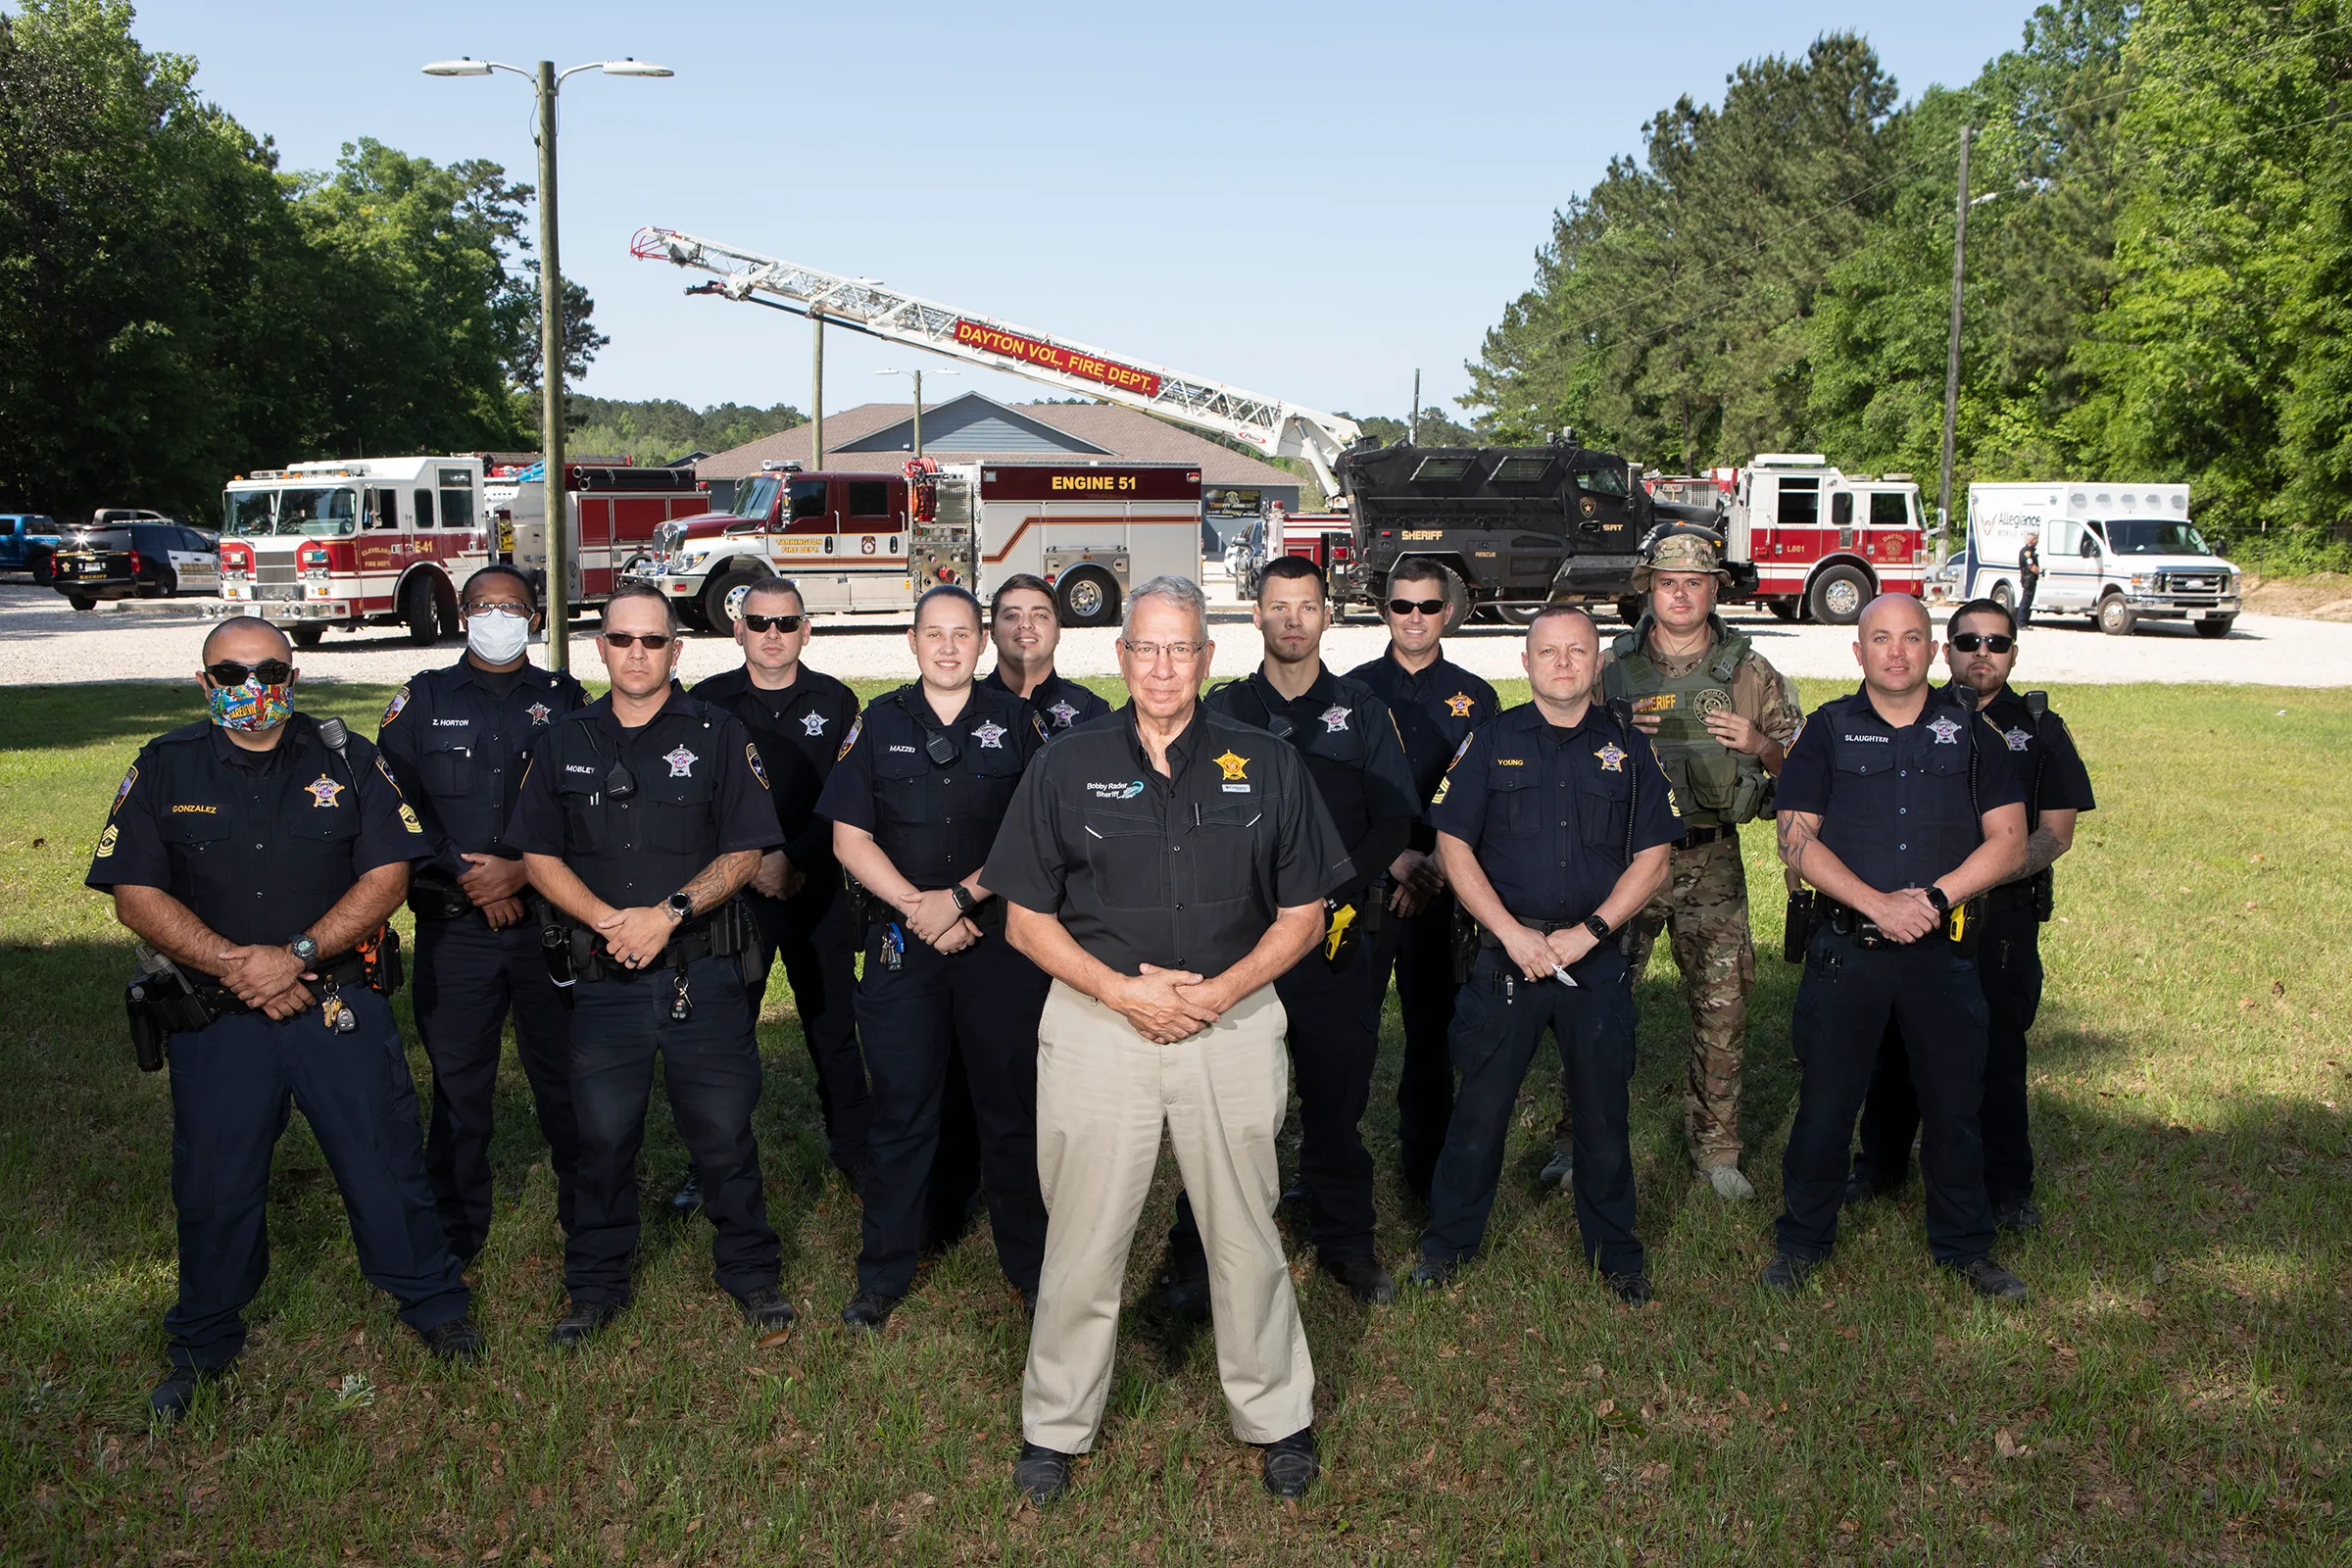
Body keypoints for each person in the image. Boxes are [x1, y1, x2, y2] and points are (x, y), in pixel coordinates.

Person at [985, 574, 1350, 1504]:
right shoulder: (1064, 765)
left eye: (1178, 648)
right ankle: (1056, 1427)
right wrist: (1121, 993)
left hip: (1229, 1025)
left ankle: (1275, 1415)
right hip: (1099, 1026)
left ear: (1205, 657)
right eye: (1144, 648)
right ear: (1121, 657)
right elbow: (1025, 918)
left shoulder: (1265, 762)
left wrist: (1217, 993)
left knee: (1244, 1236)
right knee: (1084, 1241)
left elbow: (1305, 913)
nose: (1160, 666)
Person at [91, 616, 479, 1419]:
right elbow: (136, 893)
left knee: (382, 1161)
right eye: (230, 675)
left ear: (292, 673)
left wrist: (294, 954)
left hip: (336, 1002)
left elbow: (387, 879)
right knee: (214, 1181)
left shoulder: (349, 760)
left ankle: (433, 1305)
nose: (251, 688)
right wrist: (243, 966)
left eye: (268, 669)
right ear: (205, 686)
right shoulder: (165, 767)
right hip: (221, 1015)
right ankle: (203, 1338)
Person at [505, 584, 795, 1345]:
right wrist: (608, 922)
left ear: (677, 648)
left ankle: (750, 1272)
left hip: (702, 974)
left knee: (725, 1135)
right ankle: (595, 1285)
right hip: (606, 977)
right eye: (623, 639)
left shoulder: (719, 733)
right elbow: (536, 853)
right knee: (600, 1140)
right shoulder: (562, 740)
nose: (638, 653)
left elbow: (746, 851)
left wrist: (666, 916)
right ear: (600, 647)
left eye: (654, 641)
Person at [1153, 555, 1418, 1309]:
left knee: (1335, 1104)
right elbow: (1191, 819)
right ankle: (1197, 1258)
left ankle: (1346, 1244)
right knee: (1227, 1112)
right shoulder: (1224, 711)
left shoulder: (1362, 710)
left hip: (1336, 946)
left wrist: (1325, 894)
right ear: (1256, 614)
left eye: (1308, 605)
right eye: (1279, 606)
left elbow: (1392, 821)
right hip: (1241, 946)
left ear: (1327, 614)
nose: (1293, 619)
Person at [1765, 594, 2031, 1298]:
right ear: (1858, 651)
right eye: (1880, 638)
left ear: (1933, 650)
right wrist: (1876, 902)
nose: (1896, 652)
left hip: (1941, 956)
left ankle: (1965, 1247)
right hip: (1847, 952)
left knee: (1954, 1107)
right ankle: (1802, 1241)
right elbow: (1794, 838)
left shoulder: (1972, 735)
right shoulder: (1824, 731)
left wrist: (1936, 899)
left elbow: (2008, 840)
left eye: (1912, 638)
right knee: (1825, 1106)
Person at [1412, 606, 1679, 1300]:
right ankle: (1447, 1247)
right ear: (1526, 663)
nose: (1563, 663)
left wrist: (1591, 931)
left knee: (1602, 1115)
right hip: (1510, 957)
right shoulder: (1490, 740)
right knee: (1481, 1111)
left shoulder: (1631, 748)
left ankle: (1615, 1255)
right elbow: (1453, 844)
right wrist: (1509, 932)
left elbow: (1655, 856)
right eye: (1548, 652)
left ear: (1597, 663)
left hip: (1592, 957)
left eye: (1578, 651)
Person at [814, 585, 1051, 1328]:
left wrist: (962, 898)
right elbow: (849, 839)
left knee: (1011, 1113)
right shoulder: (877, 725)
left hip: (999, 947)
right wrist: (925, 909)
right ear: (911, 644)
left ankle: (1034, 1269)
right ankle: (884, 1272)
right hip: (903, 946)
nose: (948, 647)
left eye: (962, 635)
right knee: (902, 1114)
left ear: (984, 644)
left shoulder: (1020, 724)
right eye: (933, 634)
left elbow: (1037, 836)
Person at [1545, 529, 1801, 1202]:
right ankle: (1578, 1142)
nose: (1681, 594)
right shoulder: (1611, 670)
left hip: (1711, 861)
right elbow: (1558, 757)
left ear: (1714, 588)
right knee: (1597, 1007)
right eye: (1667, 582)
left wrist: (1762, 744)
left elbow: (1807, 776)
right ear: (1648, 589)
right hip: (1623, 864)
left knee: (1723, 1011)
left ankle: (1717, 1153)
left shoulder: (1751, 674)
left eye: (1694, 582)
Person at [1848, 598, 2094, 1233]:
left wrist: (1975, 880)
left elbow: (2056, 833)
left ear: (2014, 653)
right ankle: (1879, 1165)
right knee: (1894, 1045)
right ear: (1945, 649)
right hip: (1915, 919)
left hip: (1999, 923)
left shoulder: (2038, 727)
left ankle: (2008, 1190)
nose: (1983, 653)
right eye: (1969, 642)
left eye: (1997, 643)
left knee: (1998, 1055)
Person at [377, 564, 587, 1264]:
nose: (497, 617)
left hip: (547, 928)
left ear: (534, 617)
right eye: (482, 606)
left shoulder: (566, 701)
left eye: (512, 606)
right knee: (459, 1087)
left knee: (564, 1081)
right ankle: (455, 1236)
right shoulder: (421, 700)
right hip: (455, 926)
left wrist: (520, 872)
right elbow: (392, 806)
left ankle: (587, 1227)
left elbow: (590, 809)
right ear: (462, 615)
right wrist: (468, 875)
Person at [678, 577, 869, 1204]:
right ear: (738, 630)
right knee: (724, 1035)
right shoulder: (706, 701)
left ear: (805, 631)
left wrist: (794, 859)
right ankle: (709, 1165)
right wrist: (756, 861)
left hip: (817, 892)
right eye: (759, 623)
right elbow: (695, 801)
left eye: (786, 624)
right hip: (735, 898)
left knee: (834, 1029)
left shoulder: (838, 702)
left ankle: (855, 1154)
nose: (772, 636)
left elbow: (848, 800)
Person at [1344, 559, 1500, 1202]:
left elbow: (1487, 794)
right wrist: (1393, 860)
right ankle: (1329, 1168)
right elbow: (1335, 797)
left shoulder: (1475, 696)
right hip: (1365, 889)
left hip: (1440, 897)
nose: (1414, 618)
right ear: (1384, 610)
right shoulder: (1349, 692)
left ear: (1449, 612)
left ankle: (1425, 1174)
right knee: (1344, 1039)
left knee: (1432, 1038)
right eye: (1402, 606)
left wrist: (1435, 863)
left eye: (1428, 607)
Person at [981, 572, 1110, 736]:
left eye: (1040, 615)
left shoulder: (1092, 714)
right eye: (1012, 615)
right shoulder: (963, 711)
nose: (1025, 625)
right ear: (993, 631)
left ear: (1058, 631)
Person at [2017, 530, 2042, 628]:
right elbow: (2031, 566)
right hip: (2028, 579)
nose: (2037, 542)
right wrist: (2040, 572)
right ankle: (2021, 623)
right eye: (2036, 540)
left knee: (2028, 601)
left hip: (2031, 579)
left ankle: (2024, 622)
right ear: (2031, 541)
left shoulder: (2031, 552)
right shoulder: (2026, 553)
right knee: (2026, 601)